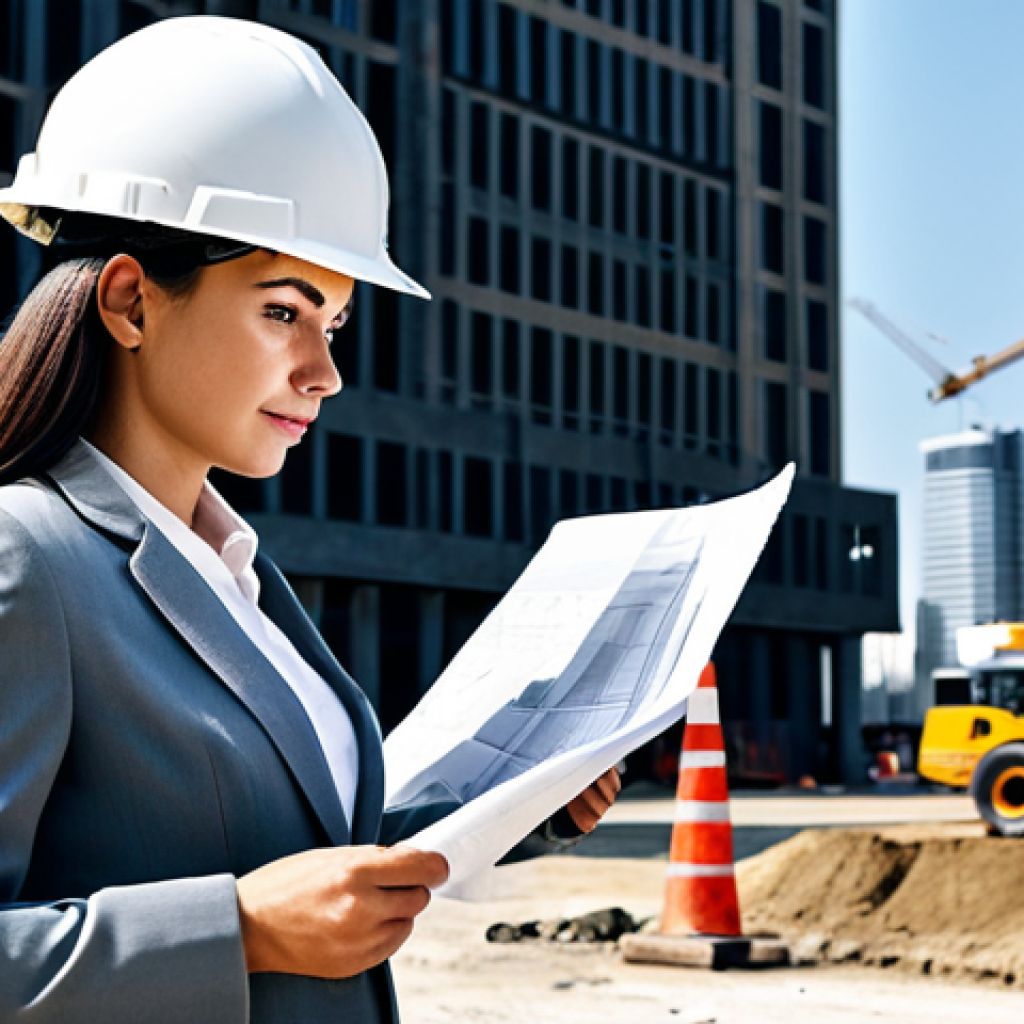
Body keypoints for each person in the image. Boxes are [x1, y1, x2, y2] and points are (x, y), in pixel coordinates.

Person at [0, 18, 620, 1024]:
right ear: (129, 301)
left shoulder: (233, 570)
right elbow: (250, 902)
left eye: (332, 324)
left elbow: (286, 844)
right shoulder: (24, 558)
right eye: (283, 313)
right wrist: (235, 929)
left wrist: (505, 813)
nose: (324, 373)